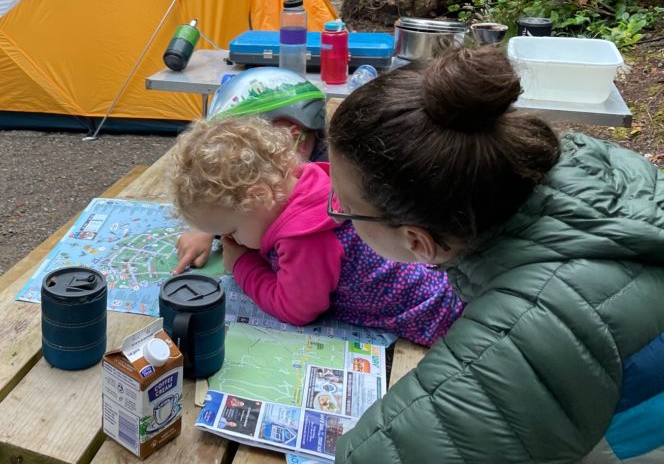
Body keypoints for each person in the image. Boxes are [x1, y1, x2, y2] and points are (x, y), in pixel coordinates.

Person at [325, 46, 664, 464]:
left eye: (343, 203)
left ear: (418, 241)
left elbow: (372, 460)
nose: (338, 209)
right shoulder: (589, 164)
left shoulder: (533, 321)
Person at [169, 116, 463, 344]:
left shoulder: (304, 239)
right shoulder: (293, 182)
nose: (229, 240)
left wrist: (242, 265)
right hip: (437, 273)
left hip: (438, 319)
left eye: (230, 231)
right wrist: (207, 231)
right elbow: (241, 217)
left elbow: (295, 310)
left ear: (258, 197)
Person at [173, 67, 327, 275]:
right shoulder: (283, 175)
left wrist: (243, 265)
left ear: (291, 139)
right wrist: (209, 227)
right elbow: (236, 197)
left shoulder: (333, 180)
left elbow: (296, 301)